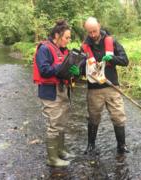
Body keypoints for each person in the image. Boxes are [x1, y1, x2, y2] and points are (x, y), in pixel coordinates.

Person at [33, 20, 80, 167]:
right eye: (66, 37)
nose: (68, 40)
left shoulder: (64, 50)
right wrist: (63, 66)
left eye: (69, 37)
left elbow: (66, 71)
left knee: (62, 122)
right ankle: (52, 159)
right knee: (54, 124)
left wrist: (75, 71)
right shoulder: (44, 49)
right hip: (50, 92)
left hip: (63, 90)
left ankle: (60, 150)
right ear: (57, 35)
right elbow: (45, 70)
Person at [82, 17, 130, 155]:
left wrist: (113, 58)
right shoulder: (84, 46)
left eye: (94, 31)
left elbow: (125, 61)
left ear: (99, 26)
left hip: (112, 87)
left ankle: (122, 146)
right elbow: (81, 68)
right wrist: (77, 71)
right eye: (89, 32)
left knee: (118, 116)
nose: (92, 35)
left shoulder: (112, 41)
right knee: (93, 117)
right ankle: (91, 145)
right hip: (94, 89)